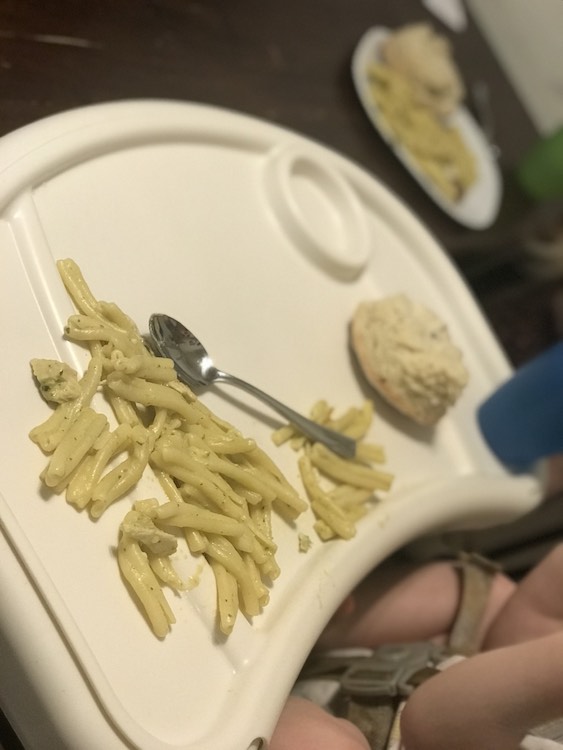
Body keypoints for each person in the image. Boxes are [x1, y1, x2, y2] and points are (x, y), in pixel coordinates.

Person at [269, 542, 563, 750]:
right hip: (401, 672)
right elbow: (523, 624)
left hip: (435, 726)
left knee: (325, 745)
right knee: (493, 596)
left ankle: (255, 700)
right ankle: (317, 623)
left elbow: (432, 724)